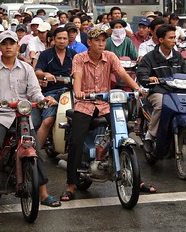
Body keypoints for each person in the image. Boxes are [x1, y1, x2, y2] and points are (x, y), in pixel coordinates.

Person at [60, 27, 146, 202]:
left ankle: (137, 179)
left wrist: (137, 88)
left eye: (103, 40)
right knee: (76, 141)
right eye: (97, 40)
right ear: (89, 43)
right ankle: (71, 184)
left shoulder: (110, 56)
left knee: (123, 134)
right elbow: (77, 76)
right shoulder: (79, 58)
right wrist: (78, 92)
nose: (101, 43)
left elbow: (122, 74)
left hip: (106, 103)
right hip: (84, 104)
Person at [0, 31, 61, 208]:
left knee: (36, 150)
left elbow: (35, 92)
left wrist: (42, 100)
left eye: (12, 43)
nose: (8, 47)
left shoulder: (27, 68)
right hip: (0, 115)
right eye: (4, 43)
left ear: (17, 46)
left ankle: (44, 194)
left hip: (23, 116)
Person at [136, 24, 186, 171]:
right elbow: (142, 75)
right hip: (158, 92)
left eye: (175, 38)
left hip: (179, 92)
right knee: (160, 105)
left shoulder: (178, 56)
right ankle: (150, 135)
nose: (174, 41)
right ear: (160, 40)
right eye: (171, 38)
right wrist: (149, 78)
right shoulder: (150, 57)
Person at [33, 27, 76, 148]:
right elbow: (37, 71)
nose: (62, 41)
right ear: (53, 39)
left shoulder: (74, 55)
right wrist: (45, 74)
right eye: (59, 38)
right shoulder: (46, 54)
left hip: (70, 92)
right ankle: (36, 154)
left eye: (64, 38)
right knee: (47, 121)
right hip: (50, 92)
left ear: (68, 40)